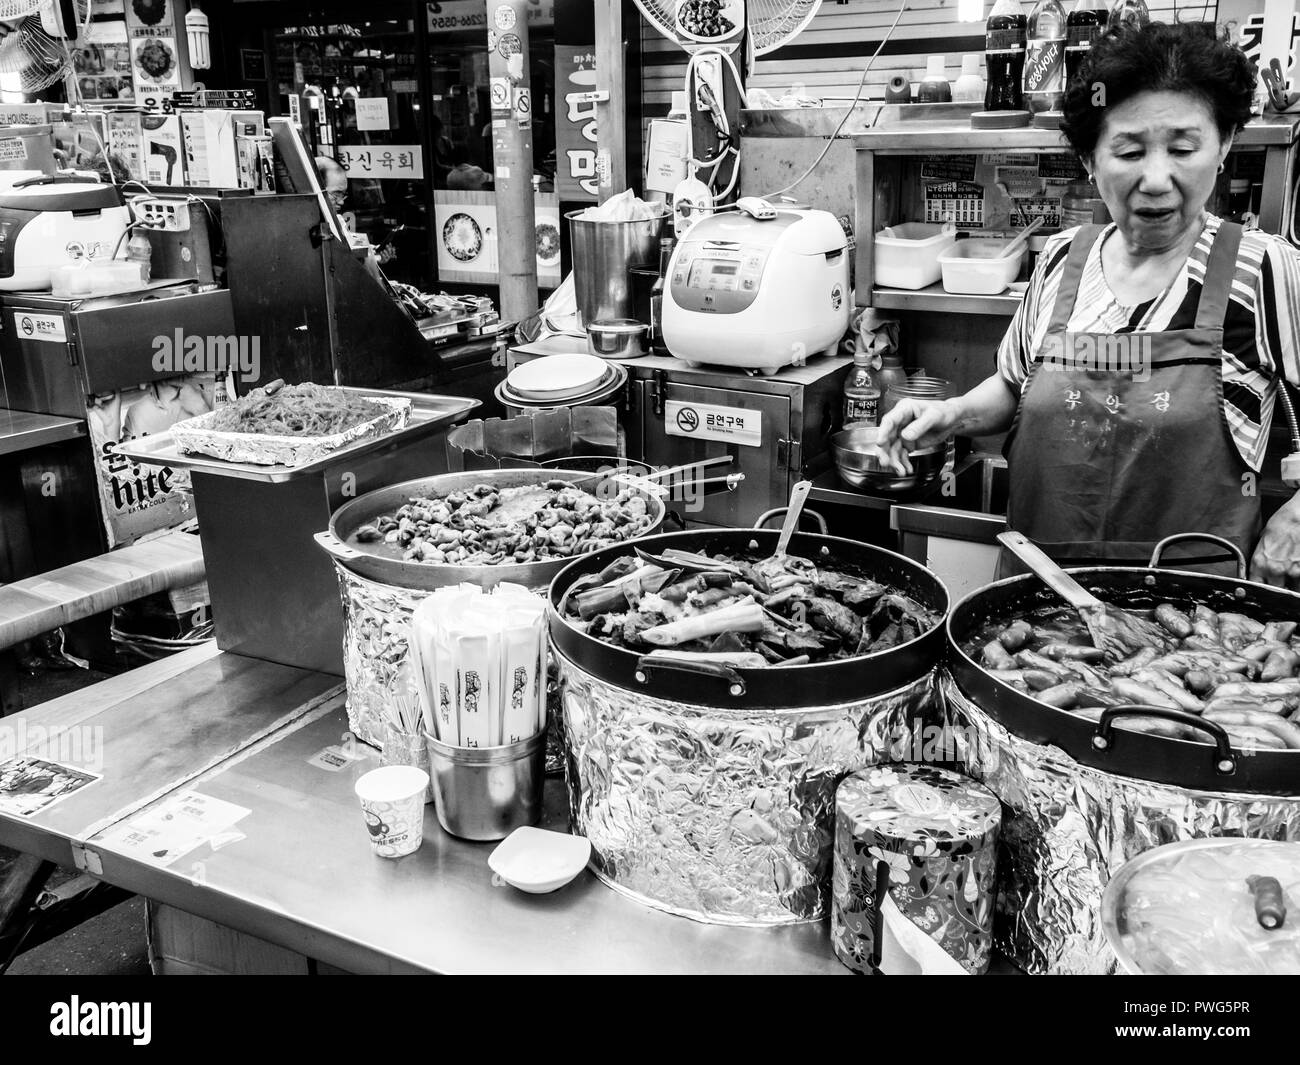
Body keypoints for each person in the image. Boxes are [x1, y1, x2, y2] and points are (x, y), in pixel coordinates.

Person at [876, 23, 1300, 584]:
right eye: (1128, 150)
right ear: (1089, 159)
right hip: (1036, 612)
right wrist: (951, 416)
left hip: (1199, 622)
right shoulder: (1060, 258)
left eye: (1183, 148)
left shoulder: (1263, 268)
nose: (1156, 178)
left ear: (1222, 147)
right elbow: (1015, 385)